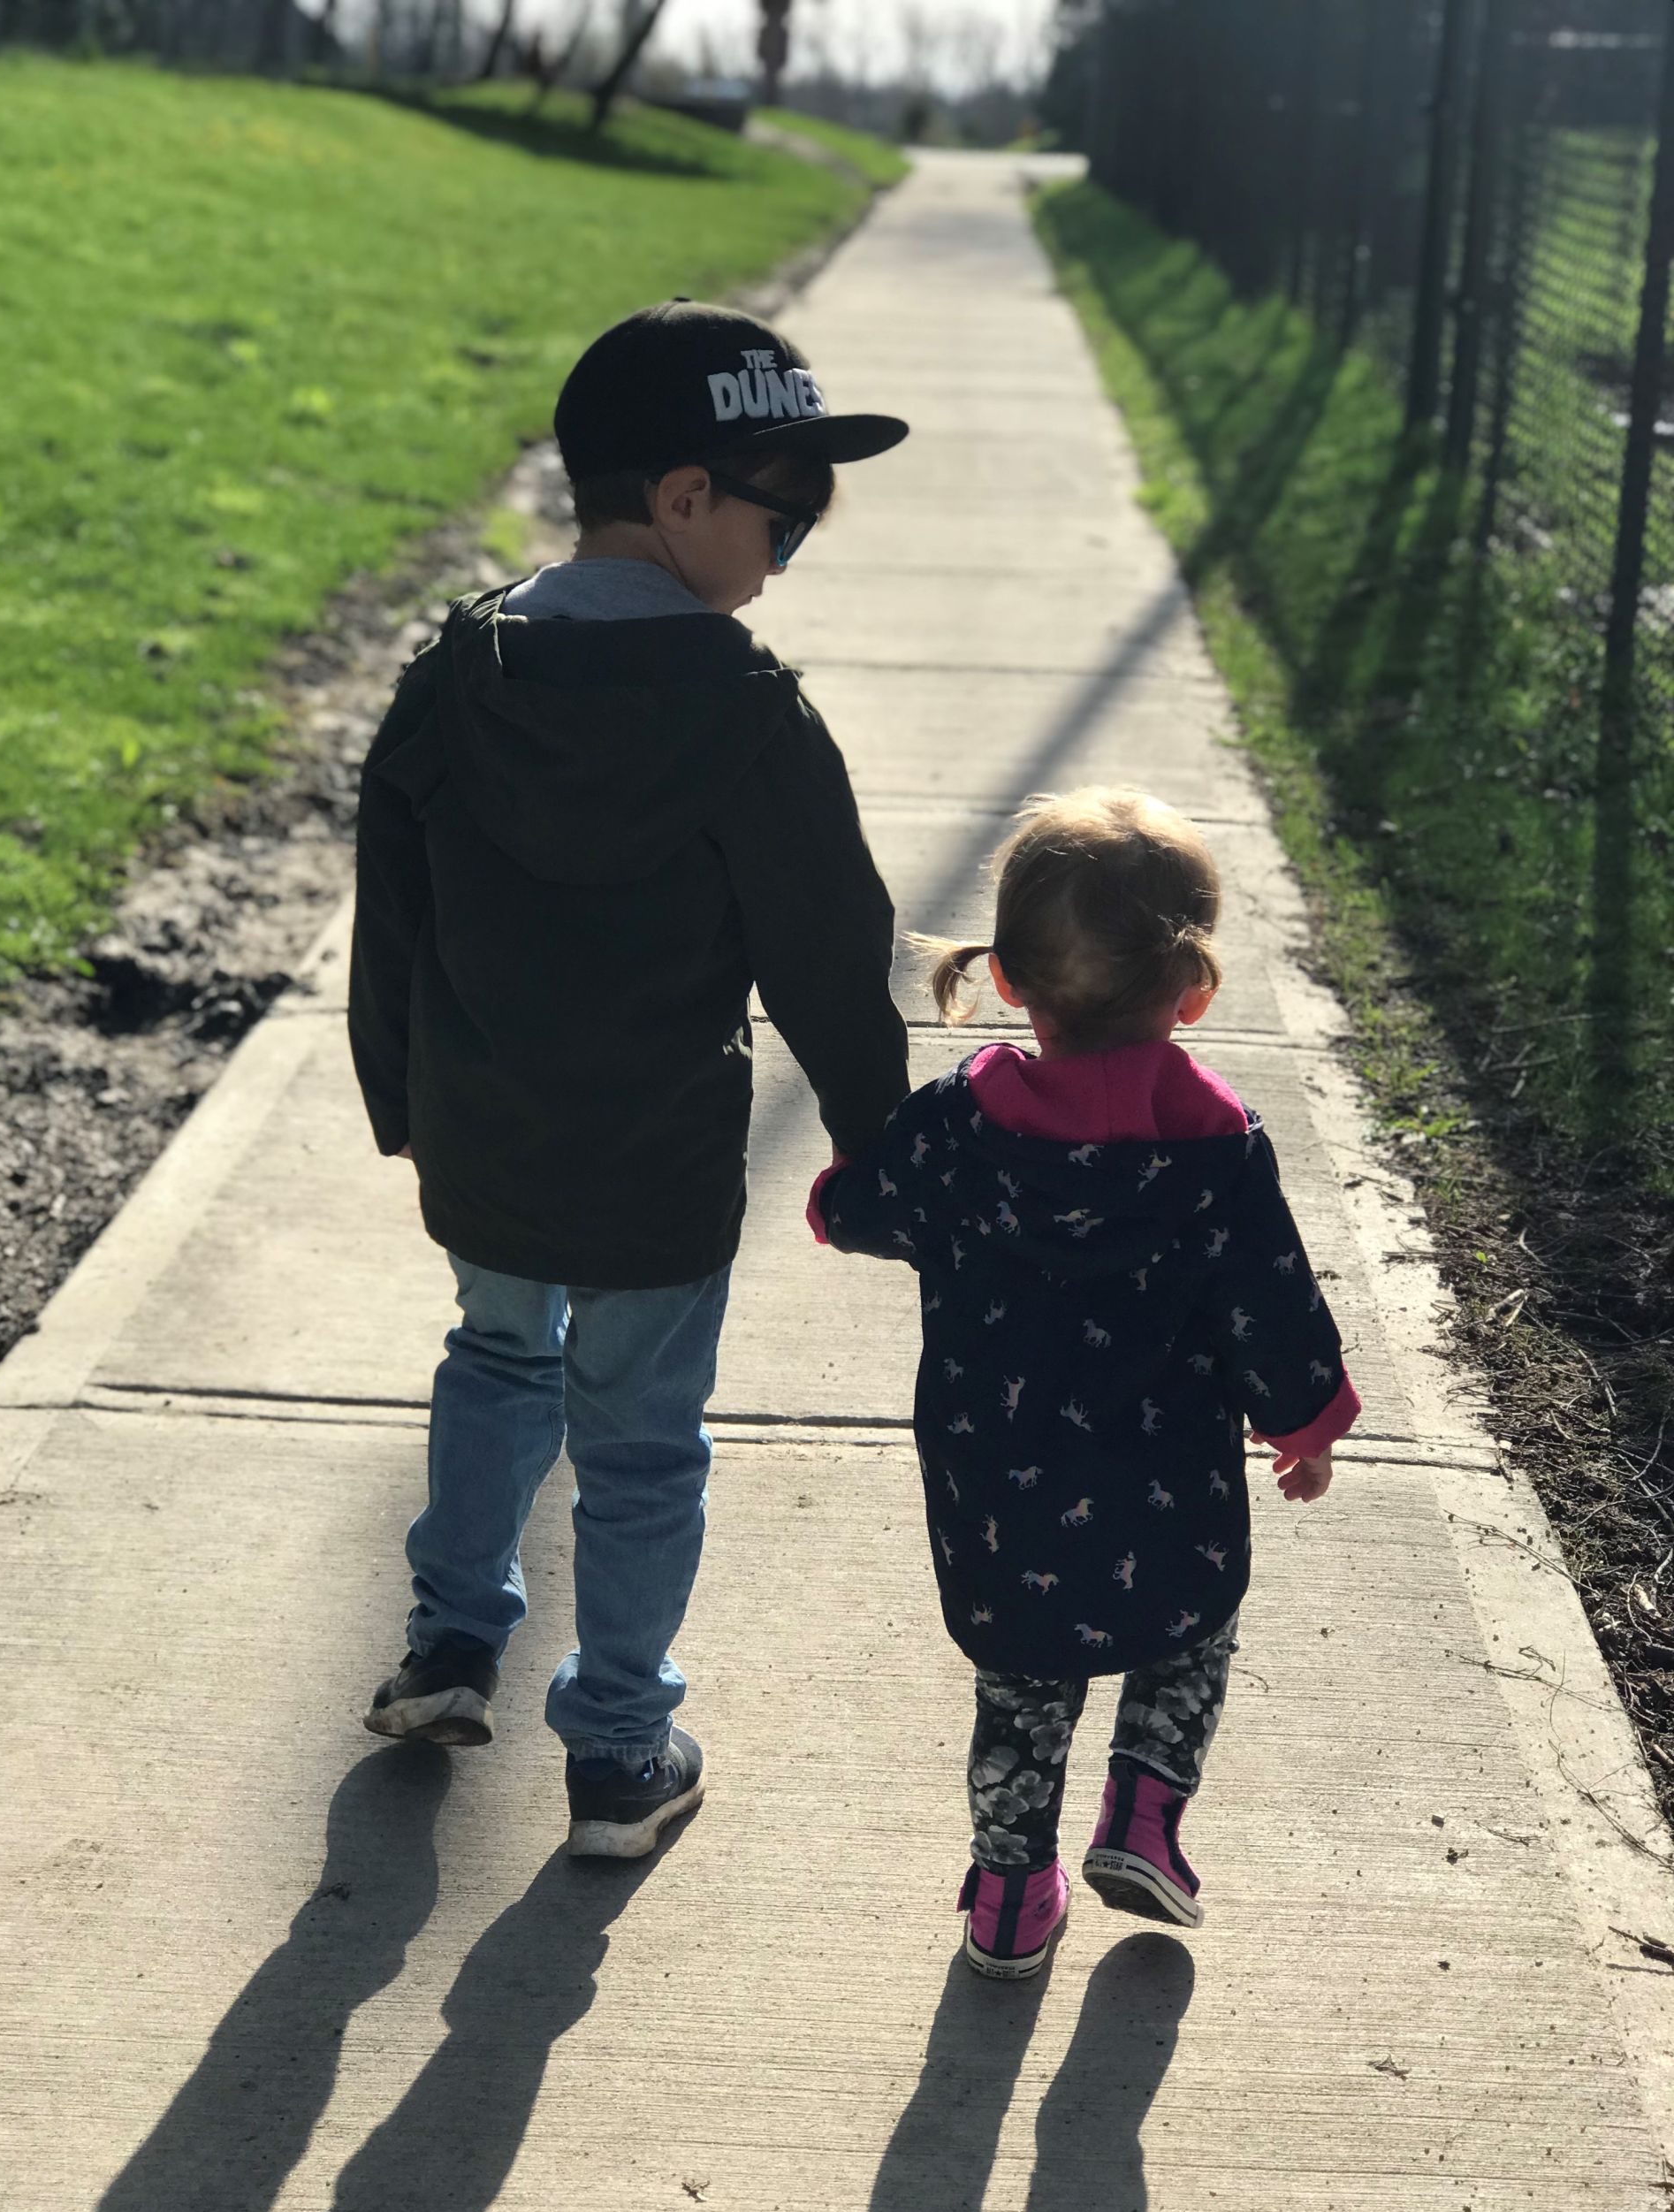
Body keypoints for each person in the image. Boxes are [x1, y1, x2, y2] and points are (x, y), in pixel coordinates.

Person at [348, 300, 910, 1858]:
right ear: (681, 498)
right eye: (783, 525)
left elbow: (393, 905)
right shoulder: (751, 715)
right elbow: (827, 953)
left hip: (486, 1134)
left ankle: (449, 1646)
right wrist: (883, 1148)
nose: (783, 560)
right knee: (642, 1445)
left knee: (495, 1360)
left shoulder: (458, 673)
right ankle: (615, 1752)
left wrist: (402, 1097)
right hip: (656, 1160)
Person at [810, 789, 1360, 1976]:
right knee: (1191, 1629)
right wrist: (1304, 1421)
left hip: (1001, 1487)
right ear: (1192, 991)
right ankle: (1146, 1815)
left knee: (1022, 1692)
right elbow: (1269, 1297)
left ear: (1009, 980)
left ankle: (1011, 1901)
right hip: (1170, 1478)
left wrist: (845, 1184)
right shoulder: (1220, 1149)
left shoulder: (958, 1129)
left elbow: (865, 1208)